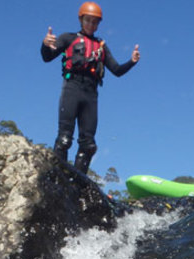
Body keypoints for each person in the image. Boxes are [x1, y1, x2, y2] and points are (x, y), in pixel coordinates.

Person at [41, 2, 140, 173]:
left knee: (89, 145)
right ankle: (57, 175)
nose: (91, 25)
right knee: (64, 139)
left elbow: (116, 70)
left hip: (91, 93)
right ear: (81, 20)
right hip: (72, 88)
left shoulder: (101, 46)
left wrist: (132, 62)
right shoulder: (68, 38)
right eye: (88, 20)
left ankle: (78, 182)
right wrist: (44, 44)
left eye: (95, 22)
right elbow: (47, 57)